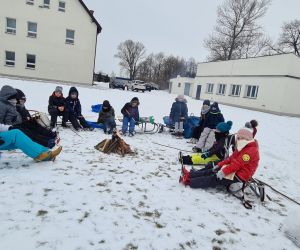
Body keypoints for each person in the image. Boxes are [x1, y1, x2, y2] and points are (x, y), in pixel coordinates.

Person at [180, 126, 260, 189]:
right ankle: (190, 174)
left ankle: (189, 181)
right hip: (235, 170)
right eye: (238, 138)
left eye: (241, 138)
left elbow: (236, 164)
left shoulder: (250, 151)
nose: (239, 140)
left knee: (214, 178)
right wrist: (219, 165)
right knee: (213, 169)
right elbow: (231, 159)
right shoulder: (242, 146)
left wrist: (223, 172)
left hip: (240, 175)